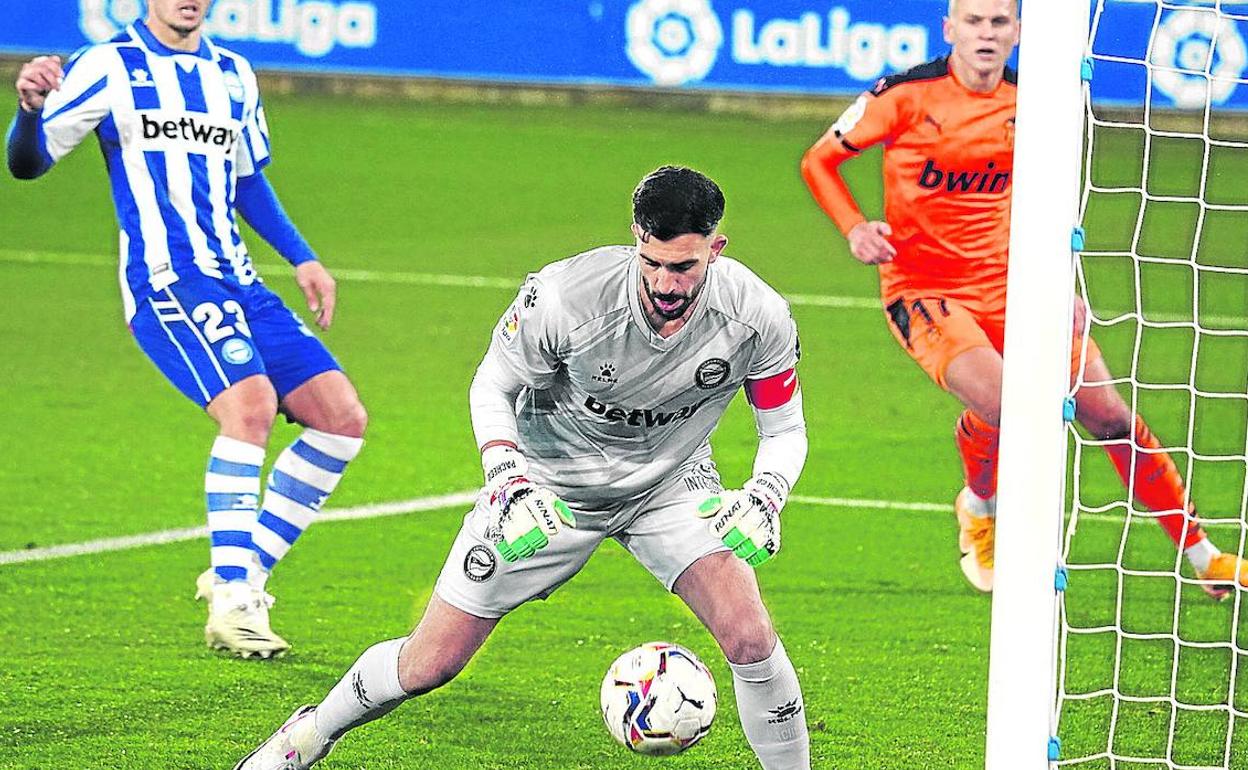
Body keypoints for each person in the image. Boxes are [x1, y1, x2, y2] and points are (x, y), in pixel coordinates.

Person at [233, 166, 811, 769]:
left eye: (684, 267)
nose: (666, 284)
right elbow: (492, 385)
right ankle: (308, 736)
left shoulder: (757, 314)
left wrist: (767, 494)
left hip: (669, 483)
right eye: (652, 263)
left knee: (750, 636)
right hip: (544, 490)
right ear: (636, 239)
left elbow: (783, 428)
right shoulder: (567, 297)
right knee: (429, 663)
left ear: (716, 249)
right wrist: (508, 478)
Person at [800, 0, 1247, 596]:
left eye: (998, 22)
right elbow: (819, 161)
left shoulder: (1034, 102)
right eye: (973, 22)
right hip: (926, 290)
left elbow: (1051, 203)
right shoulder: (903, 96)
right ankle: (980, 506)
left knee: (1111, 417)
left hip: (1017, 284)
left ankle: (1204, 555)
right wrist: (855, 227)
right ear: (950, 29)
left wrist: (1065, 284)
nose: (985, 34)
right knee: (1007, 405)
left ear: (1017, 30)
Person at [6, 0, 368, 657]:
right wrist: (29, 111)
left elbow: (247, 179)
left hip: (241, 282)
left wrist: (303, 257)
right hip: (166, 282)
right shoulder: (109, 66)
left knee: (341, 420)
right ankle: (233, 600)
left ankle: (243, 574)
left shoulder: (234, 74)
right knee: (250, 407)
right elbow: (29, 163)